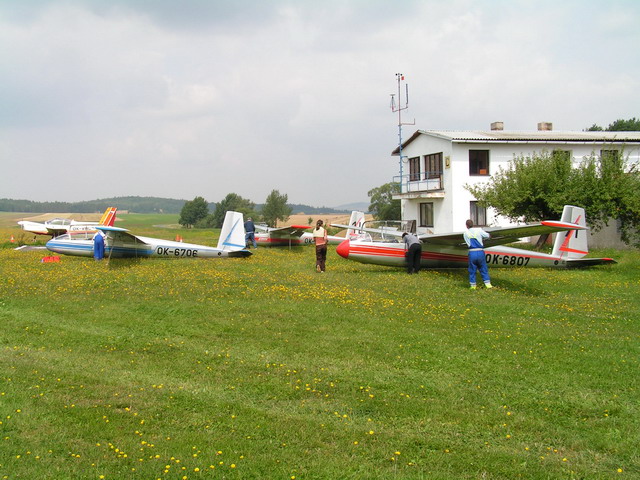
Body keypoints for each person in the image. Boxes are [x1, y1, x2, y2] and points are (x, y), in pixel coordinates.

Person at [463, 219, 492, 289]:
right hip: (480, 251)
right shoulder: (479, 230)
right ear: (473, 224)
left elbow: (467, 242)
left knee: (472, 269)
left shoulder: (465, 233)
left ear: (466, 226)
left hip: (472, 252)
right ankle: (488, 285)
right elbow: (487, 235)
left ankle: (473, 286)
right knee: (483, 268)